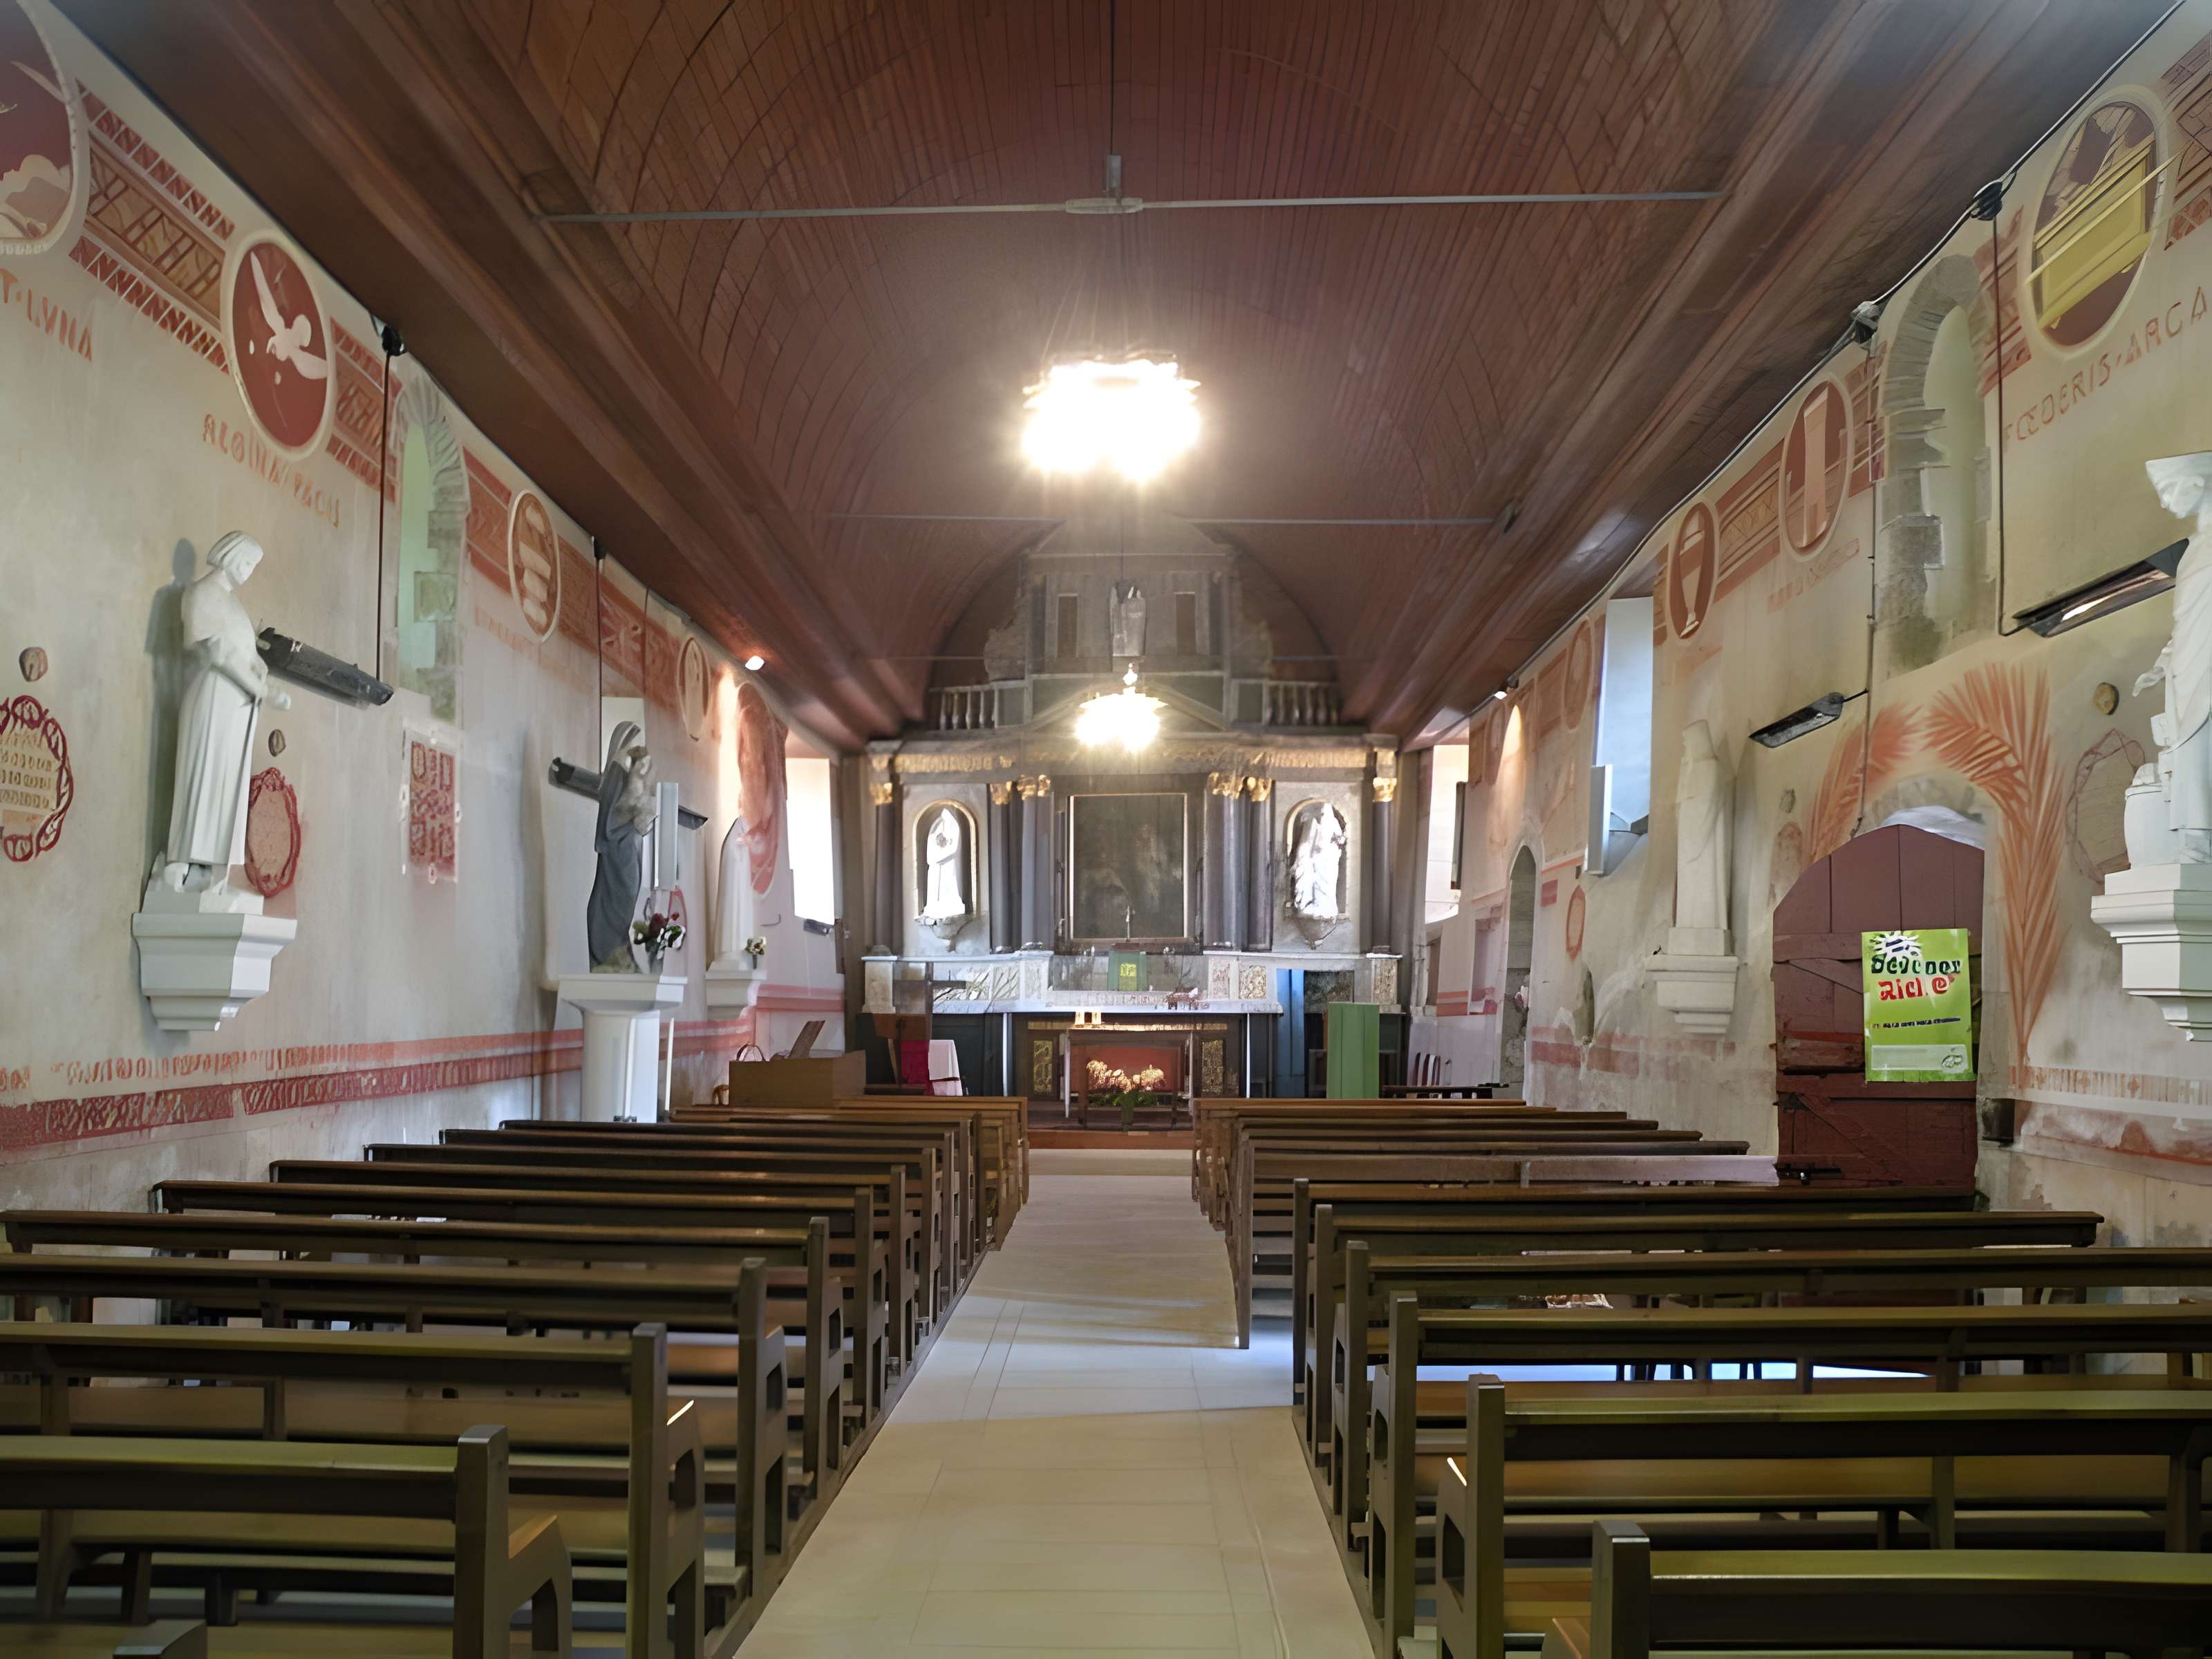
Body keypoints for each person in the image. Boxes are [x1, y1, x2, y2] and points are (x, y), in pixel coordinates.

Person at [160, 532, 289, 894]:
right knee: (203, 773)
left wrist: (261, 672)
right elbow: (215, 652)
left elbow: (246, 655)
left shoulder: (235, 606)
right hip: (214, 696)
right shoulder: (201, 593)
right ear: (229, 555)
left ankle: (210, 868)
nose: (248, 571)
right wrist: (261, 689)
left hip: (237, 706)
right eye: (246, 562)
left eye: (253, 566)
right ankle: (183, 862)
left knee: (224, 781)